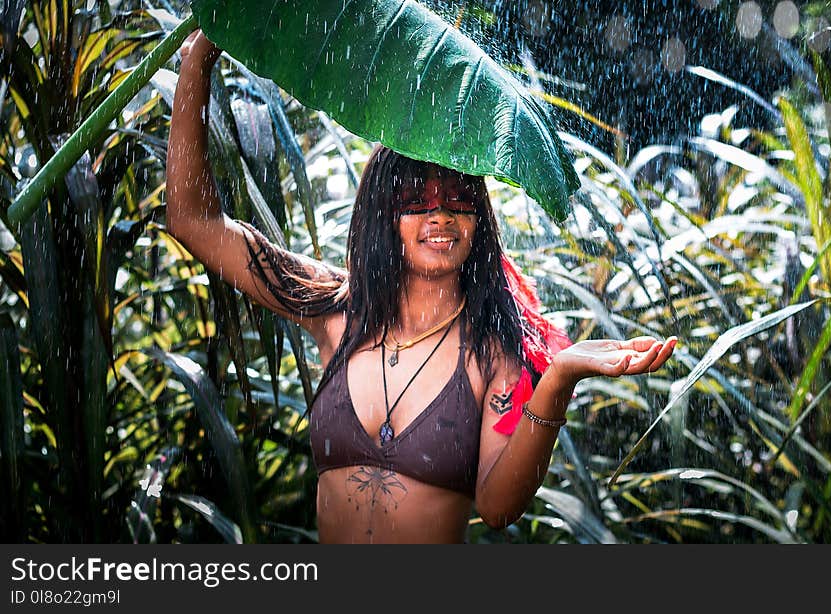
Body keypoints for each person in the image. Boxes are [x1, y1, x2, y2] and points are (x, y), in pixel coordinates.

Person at [166, 29, 676, 544]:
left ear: (479, 218)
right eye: (418, 197)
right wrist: (199, 63)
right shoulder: (336, 308)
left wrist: (559, 378)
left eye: (459, 198)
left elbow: (499, 508)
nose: (441, 214)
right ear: (384, 211)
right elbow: (193, 222)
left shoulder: (493, 352)